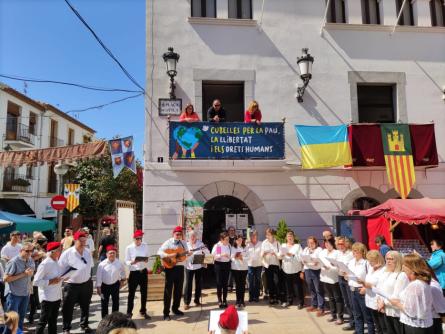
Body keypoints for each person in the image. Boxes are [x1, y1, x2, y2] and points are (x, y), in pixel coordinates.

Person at [388, 253, 434, 334]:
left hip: (414, 326)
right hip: (422, 324)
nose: (403, 267)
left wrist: (396, 303)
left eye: (404, 265)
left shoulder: (415, 285)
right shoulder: (422, 282)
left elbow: (410, 311)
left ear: (411, 267)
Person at [59, 230, 94, 334]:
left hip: (86, 284)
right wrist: (63, 278)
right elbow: (60, 269)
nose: (83, 243)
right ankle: (66, 328)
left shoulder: (87, 252)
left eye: (84, 241)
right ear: (75, 240)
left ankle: (84, 325)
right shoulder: (67, 253)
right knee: (68, 307)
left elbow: (90, 266)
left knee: (85, 305)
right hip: (71, 285)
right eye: (81, 241)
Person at [158, 226, 190, 320]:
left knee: (178, 290)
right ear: (173, 234)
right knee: (168, 291)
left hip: (180, 268)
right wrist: (169, 255)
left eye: (180, 234)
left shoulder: (183, 243)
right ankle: (166, 313)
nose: (178, 235)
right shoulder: (168, 242)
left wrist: (188, 254)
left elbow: (185, 255)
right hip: (170, 268)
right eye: (177, 234)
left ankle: (175, 308)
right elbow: (159, 252)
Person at [33, 241, 63, 334]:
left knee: (53, 321)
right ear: (52, 251)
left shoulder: (57, 260)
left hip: (57, 296)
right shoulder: (45, 264)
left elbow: (58, 276)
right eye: (59, 250)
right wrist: (51, 281)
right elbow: (36, 281)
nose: (61, 251)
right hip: (47, 297)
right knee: (43, 322)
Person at [3, 242, 35, 331]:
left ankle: (18, 332)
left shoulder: (30, 260)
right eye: (27, 251)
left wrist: (30, 274)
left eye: (31, 251)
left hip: (25, 293)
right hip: (14, 295)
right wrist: (23, 274)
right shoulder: (14, 262)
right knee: (11, 320)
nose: (29, 253)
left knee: (21, 319)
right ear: (21, 251)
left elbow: (31, 272)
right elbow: (5, 279)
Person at [376, 251, 409, 334]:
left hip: (397, 313)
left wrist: (383, 303)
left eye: (391, 259)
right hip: (386, 310)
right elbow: (379, 289)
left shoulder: (401, 275)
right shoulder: (385, 273)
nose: (388, 261)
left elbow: (397, 296)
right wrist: (379, 300)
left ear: (398, 260)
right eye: (387, 259)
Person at [347, 242, 374, 334]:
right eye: (353, 251)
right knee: (357, 315)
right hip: (352, 290)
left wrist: (365, 288)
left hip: (361, 290)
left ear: (362, 252)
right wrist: (346, 276)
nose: (354, 253)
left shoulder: (366, 263)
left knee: (368, 316)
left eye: (356, 251)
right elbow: (348, 274)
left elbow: (371, 277)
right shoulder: (351, 262)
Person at [125, 230, 150, 320]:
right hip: (134, 273)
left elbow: (147, 256)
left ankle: (143, 311)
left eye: (140, 239)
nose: (138, 240)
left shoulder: (145, 245)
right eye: (137, 239)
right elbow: (126, 261)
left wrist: (146, 260)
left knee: (144, 293)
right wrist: (132, 262)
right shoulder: (129, 248)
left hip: (143, 272)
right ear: (134, 238)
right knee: (131, 294)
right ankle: (129, 313)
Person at [359, 250, 386, 334]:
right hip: (370, 299)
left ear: (378, 259)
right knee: (377, 324)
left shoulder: (383, 270)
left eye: (371, 261)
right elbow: (368, 281)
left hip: (378, 300)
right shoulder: (371, 268)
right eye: (369, 260)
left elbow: (378, 285)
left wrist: (364, 284)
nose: (369, 263)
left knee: (383, 325)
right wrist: (364, 286)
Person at [96, 245, 126, 318]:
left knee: (116, 303)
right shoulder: (102, 264)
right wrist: (98, 287)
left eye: (113, 253)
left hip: (115, 285)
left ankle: (115, 319)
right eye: (110, 253)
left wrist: (122, 280)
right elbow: (98, 276)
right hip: (104, 286)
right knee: (104, 304)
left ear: (116, 254)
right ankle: (104, 320)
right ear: (107, 254)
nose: (112, 254)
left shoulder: (119, 263)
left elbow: (123, 272)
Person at [320, 237, 344, 323]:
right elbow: (319, 262)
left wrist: (330, 267)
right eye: (325, 243)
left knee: (337, 298)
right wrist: (321, 266)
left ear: (332, 244)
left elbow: (339, 266)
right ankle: (333, 314)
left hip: (334, 279)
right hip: (325, 278)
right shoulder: (323, 252)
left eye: (328, 243)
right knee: (330, 298)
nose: (326, 245)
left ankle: (340, 317)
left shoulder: (337, 253)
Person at [183, 231, 208, 310]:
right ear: (189, 237)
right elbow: (182, 257)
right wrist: (187, 255)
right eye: (191, 236)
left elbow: (207, 253)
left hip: (198, 266)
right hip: (189, 267)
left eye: (194, 236)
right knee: (188, 285)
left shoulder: (200, 244)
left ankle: (197, 300)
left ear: (196, 237)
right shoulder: (186, 245)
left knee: (198, 284)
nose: (193, 238)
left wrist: (204, 254)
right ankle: (186, 302)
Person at [279, 230, 304, 308]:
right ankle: (289, 301)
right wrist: (282, 255)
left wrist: (292, 255)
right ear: (286, 238)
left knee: (298, 287)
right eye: (288, 236)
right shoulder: (283, 245)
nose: (290, 238)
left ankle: (301, 302)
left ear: (294, 237)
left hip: (296, 269)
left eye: (291, 236)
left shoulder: (298, 246)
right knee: (288, 286)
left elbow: (301, 257)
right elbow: (279, 256)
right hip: (286, 269)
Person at [336, 237, 355, 331]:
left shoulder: (351, 254)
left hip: (348, 280)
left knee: (351, 302)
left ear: (346, 244)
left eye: (342, 244)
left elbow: (353, 267)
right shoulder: (338, 253)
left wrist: (347, 273)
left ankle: (354, 323)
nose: (340, 246)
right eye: (339, 244)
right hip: (340, 278)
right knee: (346, 302)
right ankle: (352, 321)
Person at [301, 236, 324, 315]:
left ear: (316, 243)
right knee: (311, 289)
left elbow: (319, 259)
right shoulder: (306, 249)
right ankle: (314, 304)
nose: (310, 244)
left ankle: (321, 307)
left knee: (318, 289)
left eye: (312, 243)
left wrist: (315, 261)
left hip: (316, 271)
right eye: (309, 243)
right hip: (307, 270)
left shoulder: (319, 250)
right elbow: (302, 259)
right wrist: (302, 271)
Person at [28, 233, 47, 324]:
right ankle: (31, 316)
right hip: (32, 276)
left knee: (36, 296)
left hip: (39, 275)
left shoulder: (40, 249)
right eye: (41, 239)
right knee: (33, 297)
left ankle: (33, 315)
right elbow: (31, 258)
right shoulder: (32, 248)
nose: (43, 241)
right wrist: (41, 254)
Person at [212, 232, 232, 309]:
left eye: (228, 239)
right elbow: (214, 257)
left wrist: (229, 257)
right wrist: (222, 255)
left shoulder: (229, 245)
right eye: (226, 240)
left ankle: (224, 299)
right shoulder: (218, 246)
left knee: (225, 283)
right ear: (221, 239)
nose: (227, 241)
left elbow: (231, 256)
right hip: (219, 265)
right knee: (219, 283)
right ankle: (219, 300)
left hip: (227, 265)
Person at [261, 228, 281, 305]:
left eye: (269, 234)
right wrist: (264, 254)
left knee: (276, 280)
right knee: (270, 281)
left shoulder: (277, 243)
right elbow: (261, 254)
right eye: (267, 235)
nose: (267, 236)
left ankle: (277, 296)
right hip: (268, 264)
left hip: (275, 263)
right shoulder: (264, 243)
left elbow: (280, 255)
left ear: (272, 235)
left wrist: (275, 253)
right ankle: (272, 297)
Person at [231, 234, 248, 308]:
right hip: (236, 268)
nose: (239, 241)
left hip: (244, 268)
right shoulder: (233, 247)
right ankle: (238, 301)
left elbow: (248, 257)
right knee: (238, 285)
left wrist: (242, 258)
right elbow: (231, 257)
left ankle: (242, 300)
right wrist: (235, 258)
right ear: (235, 241)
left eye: (241, 240)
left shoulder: (245, 247)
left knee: (242, 285)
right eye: (238, 240)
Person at [246, 230, 262, 303]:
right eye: (252, 236)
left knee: (258, 281)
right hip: (250, 265)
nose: (254, 237)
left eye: (255, 235)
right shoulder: (248, 244)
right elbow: (244, 253)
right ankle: (251, 296)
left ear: (257, 236)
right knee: (251, 281)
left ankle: (256, 296)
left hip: (259, 265)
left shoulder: (261, 244)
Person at [227, 226, 236, 292]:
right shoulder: (226, 239)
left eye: (233, 230)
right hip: (227, 258)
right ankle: (229, 286)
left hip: (235, 258)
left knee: (235, 272)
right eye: (230, 230)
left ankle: (235, 285)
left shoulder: (236, 238)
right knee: (229, 272)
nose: (232, 231)